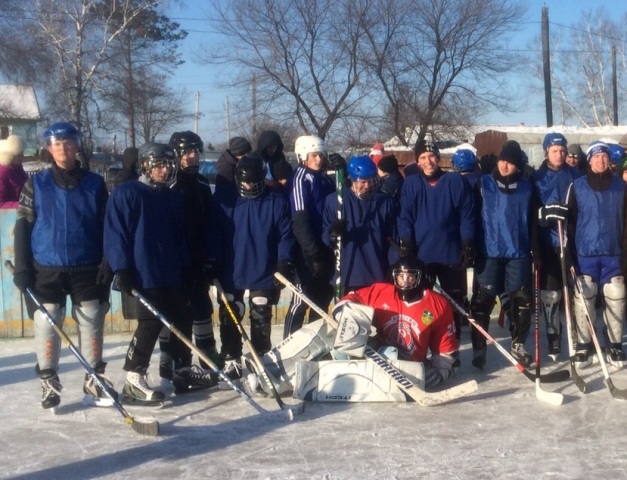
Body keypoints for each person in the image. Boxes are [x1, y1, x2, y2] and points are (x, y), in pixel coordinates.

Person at [12, 122, 114, 410]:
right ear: (49, 148)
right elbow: (22, 227)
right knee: (48, 319)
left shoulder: (95, 184)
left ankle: (94, 378)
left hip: (86, 266)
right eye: (57, 143)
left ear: (76, 145)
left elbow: (108, 227)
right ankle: (49, 381)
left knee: (92, 317)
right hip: (47, 266)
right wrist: (22, 268)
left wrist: (109, 260)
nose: (63, 148)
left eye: (68, 142)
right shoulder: (36, 183)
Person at [105, 142, 211, 402]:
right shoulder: (127, 193)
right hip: (143, 273)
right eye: (159, 165)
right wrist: (121, 268)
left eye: (168, 165)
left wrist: (186, 266)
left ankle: (181, 370)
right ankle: (133, 375)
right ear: (145, 166)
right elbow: (115, 234)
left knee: (183, 316)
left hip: (171, 271)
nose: (165, 171)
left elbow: (179, 237)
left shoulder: (173, 196)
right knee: (151, 322)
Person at [209, 155, 296, 378]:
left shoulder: (275, 200)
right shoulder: (224, 198)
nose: (248, 186)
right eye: (244, 182)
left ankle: (261, 357)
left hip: (264, 266)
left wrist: (283, 261)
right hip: (231, 267)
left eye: (253, 182)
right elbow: (213, 233)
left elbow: (285, 235)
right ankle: (231, 357)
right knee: (230, 312)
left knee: (261, 313)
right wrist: (213, 260)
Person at [334, 256, 459, 389]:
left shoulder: (437, 304)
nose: (404, 281)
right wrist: (345, 313)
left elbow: (444, 345)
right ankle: (339, 371)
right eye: (400, 276)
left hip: (412, 364)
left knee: (394, 354)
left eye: (410, 276)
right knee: (340, 338)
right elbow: (352, 298)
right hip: (379, 354)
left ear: (419, 277)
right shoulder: (381, 292)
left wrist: (441, 371)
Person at [156, 131, 222, 383]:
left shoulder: (203, 184)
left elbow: (210, 223)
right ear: (177, 155)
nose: (193, 156)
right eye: (187, 152)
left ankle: (207, 356)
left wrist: (210, 257)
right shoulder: (169, 184)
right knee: (174, 311)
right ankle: (169, 359)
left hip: (198, 259)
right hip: (174, 261)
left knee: (202, 306)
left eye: (196, 151)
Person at [555, 141, 627, 367]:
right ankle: (584, 346)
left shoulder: (622, 187)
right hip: (585, 253)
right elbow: (569, 224)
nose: (601, 160)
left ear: (609, 160)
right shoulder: (577, 186)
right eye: (596, 156)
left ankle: (614, 345)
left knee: (616, 294)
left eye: (604, 156)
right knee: (584, 296)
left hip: (613, 252)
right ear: (590, 160)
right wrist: (567, 252)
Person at [397, 139, 475, 344]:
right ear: (417, 161)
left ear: (439, 158)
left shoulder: (455, 181)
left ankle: (452, 341)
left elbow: (466, 215)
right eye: (422, 157)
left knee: (454, 301)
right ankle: (425, 341)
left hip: (450, 252)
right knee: (422, 301)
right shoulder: (412, 184)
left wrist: (467, 243)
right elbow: (404, 216)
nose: (428, 161)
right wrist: (406, 241)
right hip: (422, 254)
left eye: (431, 156)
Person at [471, 141, 540, 368]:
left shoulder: (528, 188)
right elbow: (471, 218)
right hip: (489, 251)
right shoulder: (483, 185)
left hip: (518, 252)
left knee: (521, 301)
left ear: (518, 165)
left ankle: (518, 343)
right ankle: (479, 347)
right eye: (503, 160)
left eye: (510, 162)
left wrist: (536, 250)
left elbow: (533, 223)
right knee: (482, 301)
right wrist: (470, 245)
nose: (505, 165)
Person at [283, 135, 339, 338]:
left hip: (325, 248)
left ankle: (316, 343)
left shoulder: (322, 178)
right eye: (313, 155)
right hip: (306, 252)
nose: (318, 160)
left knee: (322, 299)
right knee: (302, 299)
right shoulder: (300, 179)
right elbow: (299, 221)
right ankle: (289, 343)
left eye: (321, 155)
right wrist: (314, 253)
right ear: (302, 156)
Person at [533, 132, 581, 360]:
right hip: (548, 242)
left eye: (562, 150)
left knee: (578, 291)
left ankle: (579, 335)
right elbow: (530, 209)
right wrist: (541, 214)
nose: (560, 154)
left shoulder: (575, 175)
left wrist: (571, 214)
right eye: (555, 151)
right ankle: (554, 337)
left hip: (571, 242)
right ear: (546, 152)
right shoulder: (537, 177)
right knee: (550, 294)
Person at [322, 155, 395, 292]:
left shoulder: (384, 202)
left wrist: (393, 266)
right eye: (362, 182)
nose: (367, 186)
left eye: (371, 181)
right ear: (352, 179)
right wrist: (332, 234)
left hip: (377, 273)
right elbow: (326, 237)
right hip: (348, 273)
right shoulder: (336, 201)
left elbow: (392, 237)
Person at [0, 134, 28, 208]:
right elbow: (1, 204)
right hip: (9, 218)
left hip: (23, 215)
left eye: (22, 153)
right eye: (19, 155)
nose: (23, 156)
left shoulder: (18, 170)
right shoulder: (2, 174)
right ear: (9, 156)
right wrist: (23, 205)